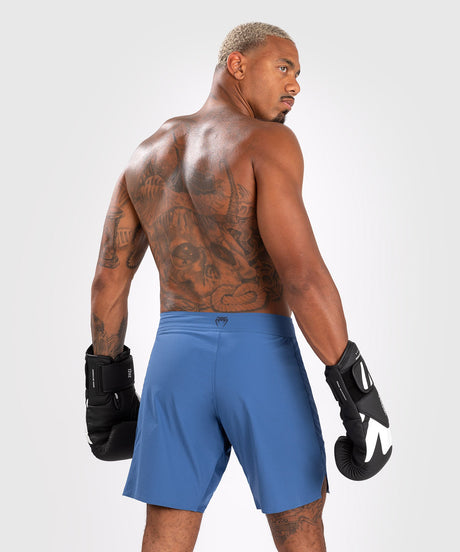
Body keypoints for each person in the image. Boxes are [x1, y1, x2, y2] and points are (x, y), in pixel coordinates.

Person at [84, 22, 392, 552]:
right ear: (237, 65)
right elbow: (302, 277)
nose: (295, 85)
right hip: (258, 355)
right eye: (284, 67)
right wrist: (355, 391)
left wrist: (105, 385)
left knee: (166, 525)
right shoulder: (267, 142)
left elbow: (108, 281)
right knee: (300, 523)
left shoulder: (145, 155)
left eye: (298, 74)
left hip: (175, 357)